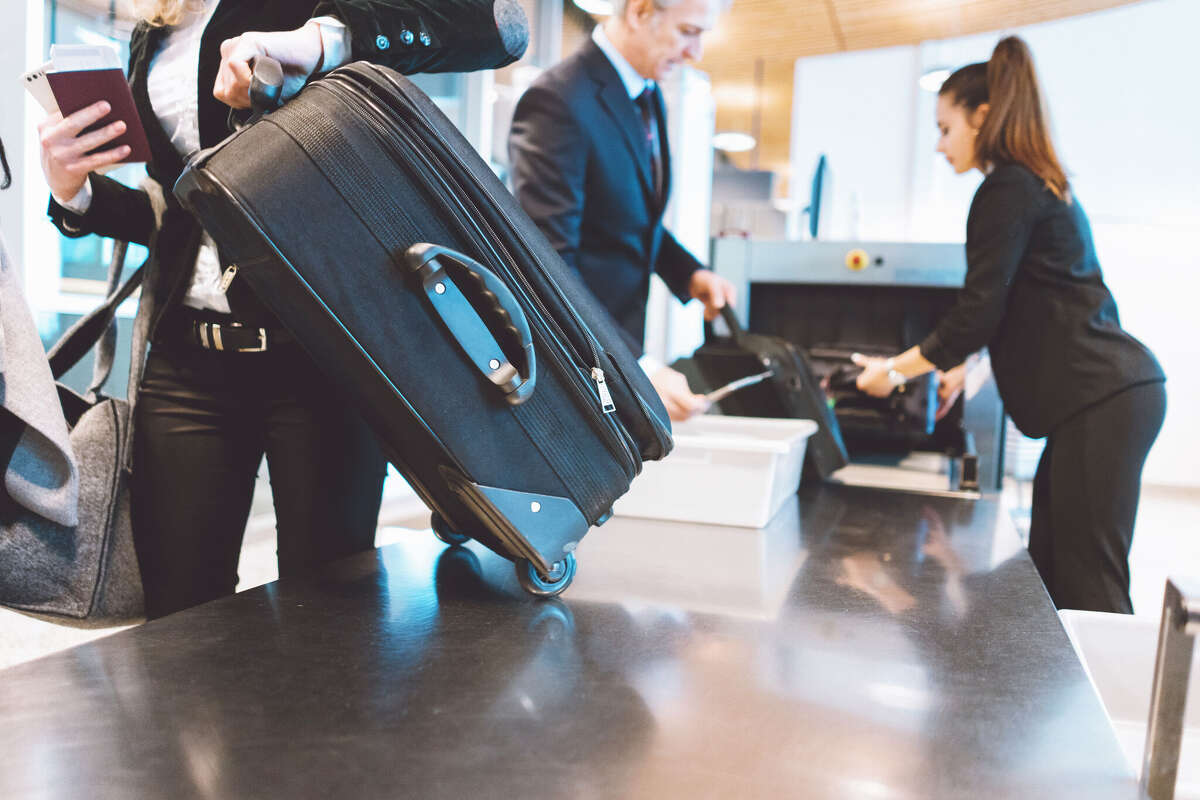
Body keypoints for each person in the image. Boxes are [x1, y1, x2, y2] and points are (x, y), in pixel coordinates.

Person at [36, 1, 453, 618]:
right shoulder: (160, 26)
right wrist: (73, 191)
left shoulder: (314, 13)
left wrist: (317, 40)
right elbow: (177, 213)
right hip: (187, 360)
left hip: (322, 355)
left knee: (328, 615)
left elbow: (487, 26)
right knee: (179, 616)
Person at [853, 36, 1166, 614]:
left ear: (983, 117)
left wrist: (892, 373)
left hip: (1103, 399)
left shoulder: (1005, 188)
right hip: (1107, 398)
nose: (940, 145)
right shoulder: (1030, 183)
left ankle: (1114, 704)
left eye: (946, 128)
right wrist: (965, 368)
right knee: (1050, 573)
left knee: (1087, 583)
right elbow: (1026, 303)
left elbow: (977, 313)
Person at [508, 0, 736, 421]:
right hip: (573, 364)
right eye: (689, 31)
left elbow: (630, 217)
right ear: (641, 11)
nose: (696, 52)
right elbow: (547, 263)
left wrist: (688, 273)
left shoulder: (646, 94)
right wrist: (637, 367)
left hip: (615, 347)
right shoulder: (559, 100)